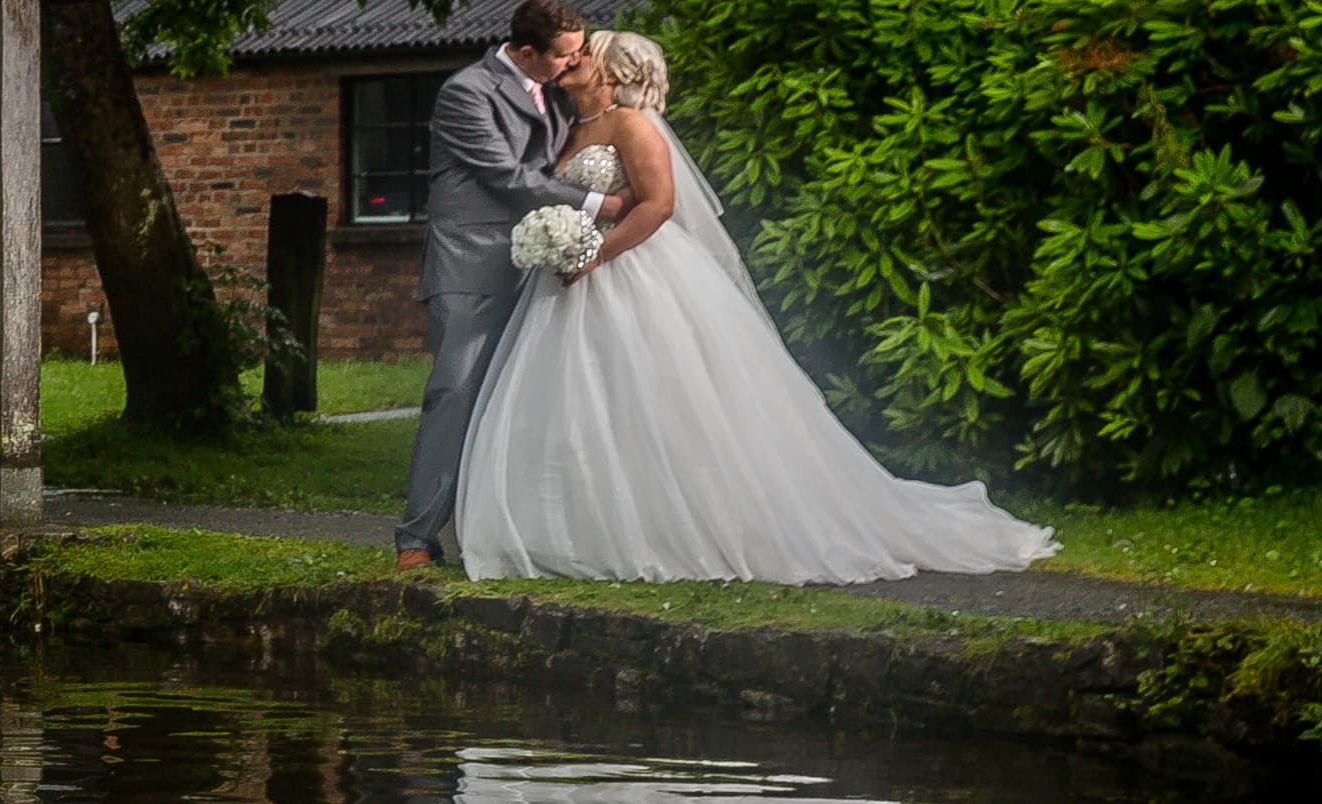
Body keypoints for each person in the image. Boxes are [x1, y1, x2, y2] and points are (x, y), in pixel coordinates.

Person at [451, 33, 1053, 582]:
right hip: (570, 280)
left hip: (630, 270)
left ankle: (676, 524)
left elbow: (658, 205)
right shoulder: (571, 127)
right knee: (575, 400)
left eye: (587, 54)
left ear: (612, 70)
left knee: (658, 397)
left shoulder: (634, 125)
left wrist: (595, 255)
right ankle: (575, 527)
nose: (574, 58)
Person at [395, 0, 613, 571]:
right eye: (564, 55)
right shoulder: (468, 92)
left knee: (533, 400)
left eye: (579, 51)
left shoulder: (560, 94)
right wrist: (603, 203)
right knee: (456, 394)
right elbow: (507, 175)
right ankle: (416, 537)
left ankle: (513, 534)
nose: (574, 62)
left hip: (541, 263)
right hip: (473, 265)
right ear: (523, 51)